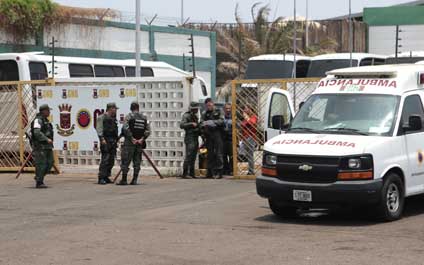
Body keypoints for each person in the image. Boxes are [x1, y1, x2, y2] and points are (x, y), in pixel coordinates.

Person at [117, 101, 151, 185]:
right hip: (139, 143)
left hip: (129, 143)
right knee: (137, 161)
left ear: (131, 108)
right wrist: (142, 139)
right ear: (138, 108)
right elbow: (148, 130)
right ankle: (134, 180)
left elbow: (125, 128)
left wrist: (132, 139)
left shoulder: (129, 116)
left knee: (125, 161)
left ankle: (124, 180)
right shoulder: (144, 117)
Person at [31, 104, 54, 188]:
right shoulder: (38, 120)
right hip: (40, 146)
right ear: (44, 111)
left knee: (50, 162)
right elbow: (37, 132)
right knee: (41, 164)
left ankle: (38, 177)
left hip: (47, 146)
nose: (49, 112)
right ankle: (39, 182)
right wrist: (46, 139)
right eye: (48, 110)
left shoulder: (45, 120)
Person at [200, 98, 224, 179]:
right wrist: (204, 124)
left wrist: (213, 122)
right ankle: (209, 172)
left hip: (217, 134)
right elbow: (201, 122)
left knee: (218, 154)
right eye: (207, 106)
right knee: (209, 154)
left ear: (213, 104)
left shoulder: (219, 111)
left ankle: (219, 172)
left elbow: (222, 121)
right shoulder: (204, 113)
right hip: (208, 135)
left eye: (210, 105)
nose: (209, 107)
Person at [96, 103, 119, 185]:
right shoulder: (101, 117)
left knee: (111, 160)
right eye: (115, 108)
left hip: (113, 141)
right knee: (105, 159)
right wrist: (102, 139)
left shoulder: (113, 118)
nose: (116, 110)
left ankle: (106, 176)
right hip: (105, 140)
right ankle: (101, 177)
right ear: (110, 109)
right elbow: (99, 129)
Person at [180, 102, 200, 179]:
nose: (197, 110)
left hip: (195, 137)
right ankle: (185, 173)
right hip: (190, 137)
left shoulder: (195, 116)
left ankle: (192, 173)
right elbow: (182, 125)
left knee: (193, 156)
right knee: (189, 155)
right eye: (196, 108)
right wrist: (191, 124)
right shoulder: (186, 115)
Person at [241, 105, 258, 175]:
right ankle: (250, 170)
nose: (244, 110)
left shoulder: (254, 116)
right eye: (244, 109)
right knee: (247, 155)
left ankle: (251, 171)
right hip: (245, 138)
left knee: (250, 155)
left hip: (251, 137)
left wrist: (246, 117)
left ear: (250, 109)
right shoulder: (245, 118)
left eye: (246, 109)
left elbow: (252, 123)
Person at [222, 103, 233, 175]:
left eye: (229, 108)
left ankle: (232, 170)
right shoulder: (222, 118)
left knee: (232, 155)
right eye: (227, 108)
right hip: (223, 139)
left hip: (231, 139)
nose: (228, 110)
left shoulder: (234, 118)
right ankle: (225, 170)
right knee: (223, 155)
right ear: (224, 109)